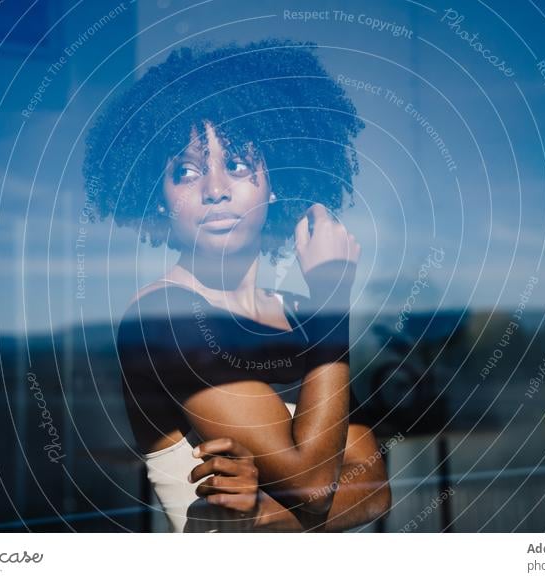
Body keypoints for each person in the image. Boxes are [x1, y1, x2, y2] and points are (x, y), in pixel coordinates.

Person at [84, 39, 391, 532]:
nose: (216, 189)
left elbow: (374, 488)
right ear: (158, 197)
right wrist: (332, 301)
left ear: (275, 182)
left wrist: (264, 515)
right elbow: (315, 484)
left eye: (239, 164)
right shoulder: (165, 319)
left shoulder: (296, 314)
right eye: (187, 171)